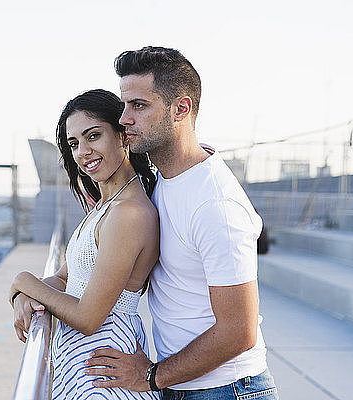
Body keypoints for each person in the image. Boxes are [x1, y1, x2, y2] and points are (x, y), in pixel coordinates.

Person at [84, 47, 279, 399]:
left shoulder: (216, 206)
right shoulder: (164, 178)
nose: (124, 118)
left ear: (181, 109)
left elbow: (239, 331)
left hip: (227, 390)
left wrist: (152, 375)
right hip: (183, 383)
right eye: (124, 105)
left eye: (139, 106)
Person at [9, 89, 161, 399]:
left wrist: (22, 281)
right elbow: (66, 279)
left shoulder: (129, 213)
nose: (83, 152)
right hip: (84, 363)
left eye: (93, 136)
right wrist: (24, 295)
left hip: (103, 367)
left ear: (122, 135)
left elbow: (89, 318)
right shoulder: (107, 205)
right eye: (74, 144)